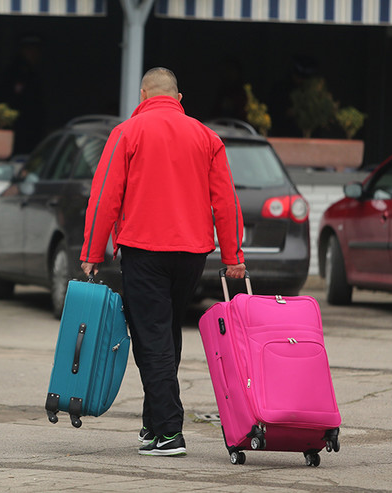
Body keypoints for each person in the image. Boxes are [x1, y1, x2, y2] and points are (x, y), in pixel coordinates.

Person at [80, 67, 246, 457]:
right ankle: (153, 425)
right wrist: (233, 255)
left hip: (144, 250)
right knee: (165, 332)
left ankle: (170, 431)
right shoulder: (207, 137)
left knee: (151, 336)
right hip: (192, 254)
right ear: (178, 98)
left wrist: (91, 252)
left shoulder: (127, 133)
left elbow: (105, 196)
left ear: (143, 96)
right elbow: (226, 200)